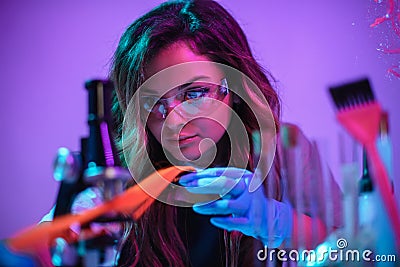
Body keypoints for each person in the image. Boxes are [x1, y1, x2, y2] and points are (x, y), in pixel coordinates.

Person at [38, 0, 342, 266]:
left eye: (195, 93)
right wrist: (75, 231)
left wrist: (275, 220)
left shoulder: (284, 150)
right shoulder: (114, 169)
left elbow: (357, 251)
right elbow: (40, 248)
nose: (174, 121)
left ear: (234, 86)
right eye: (152, 102)